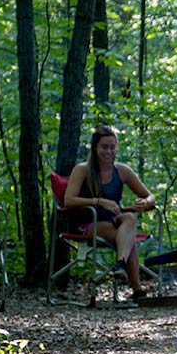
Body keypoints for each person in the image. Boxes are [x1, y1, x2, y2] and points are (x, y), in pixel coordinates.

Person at [63, 124, 157, 297]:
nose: (108, 151)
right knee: (128, 241)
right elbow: (68, 200)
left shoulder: (122, 171)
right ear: (94, 148)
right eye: (104, 147)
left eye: (112, 147)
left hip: (115, 220)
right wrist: (98, 201)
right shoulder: (82, 170)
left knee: (130, 218)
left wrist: (145, 202)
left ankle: (121, 262)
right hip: (88, 223)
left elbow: (150, 196)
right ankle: (137, 289)